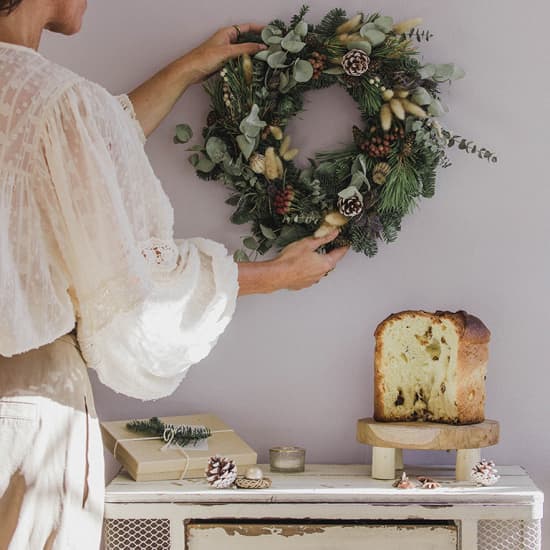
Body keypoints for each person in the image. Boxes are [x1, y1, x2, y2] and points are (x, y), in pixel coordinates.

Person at [0, 0, 348, 548]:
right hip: (23, 406)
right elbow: (132, 287)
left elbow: (85, 149)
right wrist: (274, 275)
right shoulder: (55, 103)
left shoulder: (55, 110)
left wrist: (191, 65)